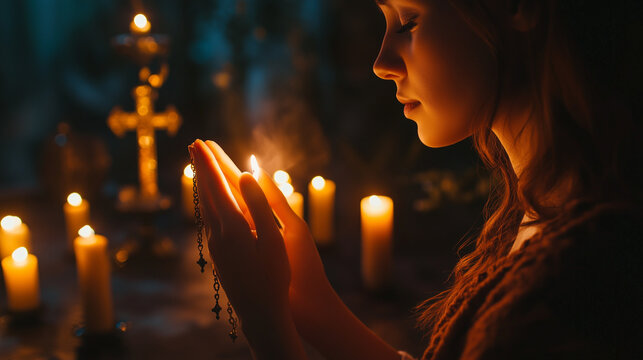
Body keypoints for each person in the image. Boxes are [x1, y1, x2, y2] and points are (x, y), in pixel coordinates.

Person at [189, 0, 642, 358]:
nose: (381, 62)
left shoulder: (577, 278)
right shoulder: (544, 211)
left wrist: (265, 327)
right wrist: (309, 302)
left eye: (408, 22)